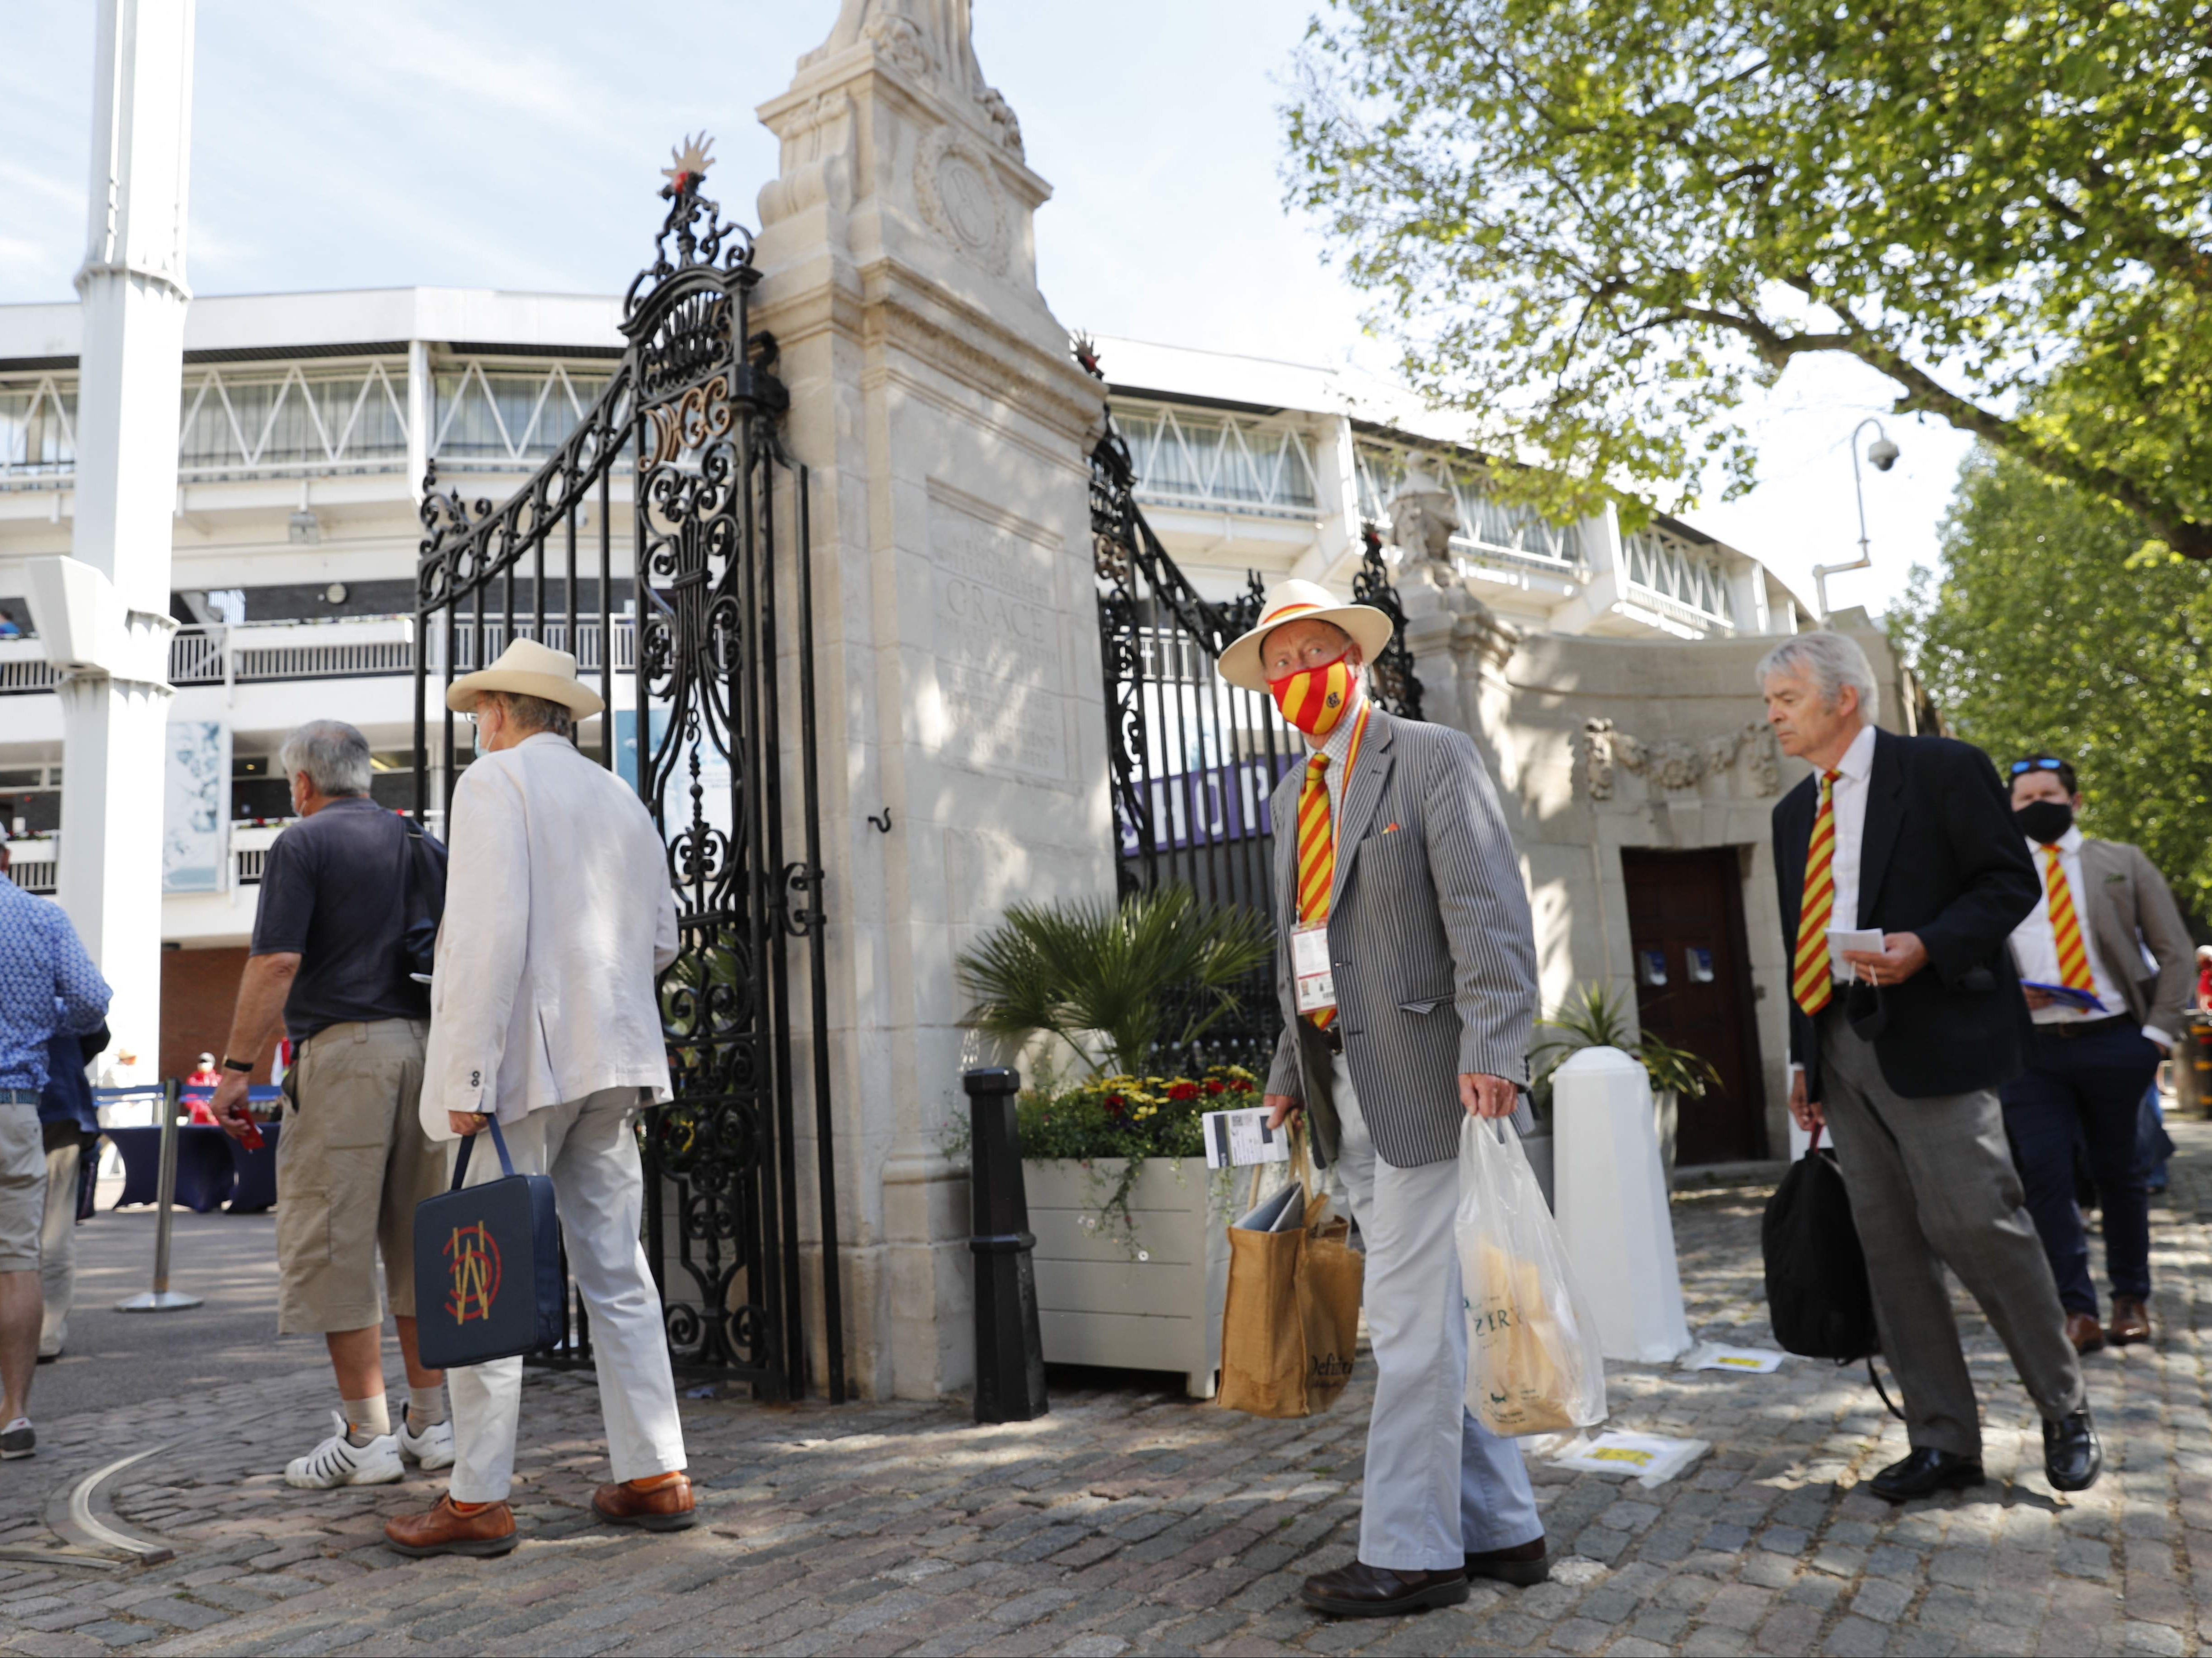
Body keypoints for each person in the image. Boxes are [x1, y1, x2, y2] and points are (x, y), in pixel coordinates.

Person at [1219, 580, 1546, 1619]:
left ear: (1353, 661)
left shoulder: (1429, 756)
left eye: (1307, 654)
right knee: (1441, 1314)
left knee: (1408, 1324)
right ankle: (1504, 1529)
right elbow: (1305, 960)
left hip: (1438, 1082)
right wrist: (1284, 1077)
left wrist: (1497, 1044)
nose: (1291, 677)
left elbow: (1489, 914)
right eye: (1274, 665)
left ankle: (1411, 1552)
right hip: (1339, 1091)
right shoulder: (1287, 797)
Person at [1763, 631, 2098, 1502]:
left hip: (1936, 1034)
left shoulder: (1944, 769)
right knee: (1890, 1249)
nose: (1771, 716)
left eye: (1784, 699)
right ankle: (1943, 1438)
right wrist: (1806, 1061)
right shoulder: (1788, 812)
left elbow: (2004, 884)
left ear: (1843, 697)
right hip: (1839, 1042)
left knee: (1979, 1224)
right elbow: (1799, 939)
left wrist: (1928, 946)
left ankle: (2064, 1408)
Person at [384, 640, 689, 1559]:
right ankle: (656, 1471)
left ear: (506, 713)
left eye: (482, 712)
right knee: (619, 1269)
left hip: (523, 1062)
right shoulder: (618, 795)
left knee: (484, 1274)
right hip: (617, 1054)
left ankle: (478, 1497)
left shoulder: (495, 784)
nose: (478, 726)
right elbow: (666, 935)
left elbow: (481, 938)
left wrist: (467, 1073)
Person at [203, 720, 453, 1488]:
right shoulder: (423, 843)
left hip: (346, 1054)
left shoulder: (302, 843)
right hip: (428, 1050)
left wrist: (237, 1067)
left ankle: (364, 1433)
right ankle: (431, 1421)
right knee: (422, 1241)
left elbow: (279, 960)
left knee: (335, 1238)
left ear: (305, 782)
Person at [1999, 753, 2192, 1352]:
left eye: (2048, 795)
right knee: (2045, 1176)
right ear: (2008, 809)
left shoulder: (2120, 863)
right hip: (2030, 1052)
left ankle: (2129, 1299)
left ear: (2074, 801)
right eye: (2024, 799)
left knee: (2119, 1172)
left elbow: (2176, 951)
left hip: (2113, 1039)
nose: (2038, 806)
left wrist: (2155, 1037)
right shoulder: (1996, 873)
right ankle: (2074, 1311)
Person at [0, 842, 110, 1458]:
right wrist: (43, 1016)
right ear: (7, 857)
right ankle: (14, 1414)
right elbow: (93, 1000)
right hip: (15, 1104)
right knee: (18, 1259)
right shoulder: (42, 918)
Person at [36, 1017, 107, 1361]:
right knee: (54, 1226)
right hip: (58, 1097)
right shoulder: (54, 963)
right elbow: (95, 1020)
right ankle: (44, 1336)